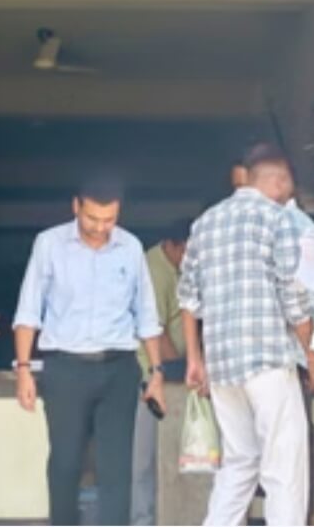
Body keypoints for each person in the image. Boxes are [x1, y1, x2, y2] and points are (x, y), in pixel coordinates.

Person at [178, 144, 314, 526]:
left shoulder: (205, 223)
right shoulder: (277, 220)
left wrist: (195, 359)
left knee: (239, 464)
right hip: (268, 362)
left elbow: (188, 298)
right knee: (283, 470)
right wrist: (313, 356)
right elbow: (293, 299)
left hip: (222, 368)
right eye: (288, 184)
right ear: (279, 181)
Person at [13, 176, 168, 526]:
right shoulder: (49, 244)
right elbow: (28, 311)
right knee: (65, 463)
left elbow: (146, 315)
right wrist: (23, 369)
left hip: (119, 369)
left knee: (116, 467)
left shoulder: (130, 247)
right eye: (92, 219)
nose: (100, 228)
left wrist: (157, 373)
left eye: (109, 220)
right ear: (76, 206)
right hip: (65, 368)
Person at [233, 147, 314, 521]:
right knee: (277, 461)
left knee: (274, 460)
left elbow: (307, 297)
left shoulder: (292, 225)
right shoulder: (271, 223)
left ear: (279, 181)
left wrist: (313, 355)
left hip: (284, 359)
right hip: (273, 360)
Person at [130, 219, 191, 526]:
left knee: (167, 456)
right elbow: (156, 331)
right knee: (144, 459)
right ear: (173, 245)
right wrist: (183, 368)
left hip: (170, 377)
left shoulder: (176, 269)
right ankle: (143, 520)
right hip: (150, 377)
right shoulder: (155, 270)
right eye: (189, 252)